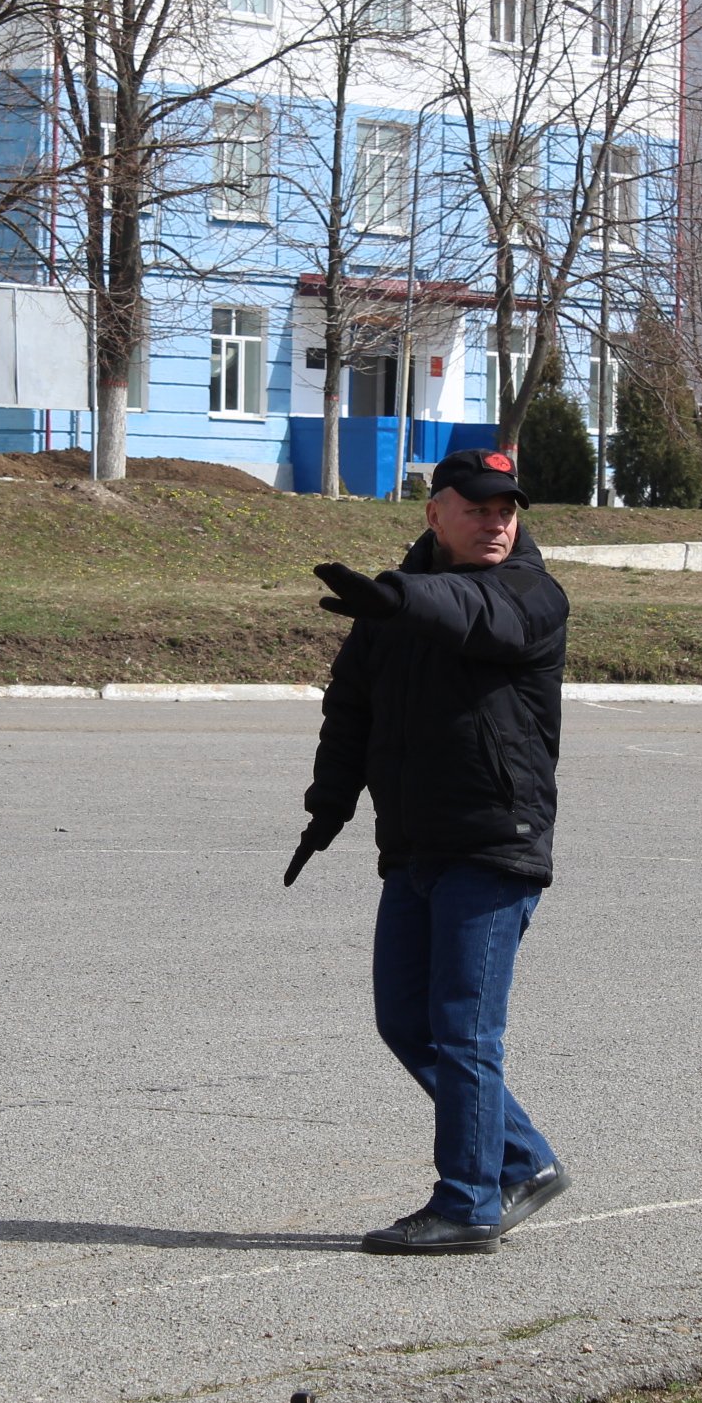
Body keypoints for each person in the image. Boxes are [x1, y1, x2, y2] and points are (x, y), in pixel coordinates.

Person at [289, 447, 573, 1255]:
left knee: (463, 1028)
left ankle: (469, 1202)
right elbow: (352, 711)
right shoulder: (395, 609)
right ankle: (523, 1162)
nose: (496, 521)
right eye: (479, 507)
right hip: (414, 846)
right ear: (435, 512)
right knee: (406, 1019)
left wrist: (396, 596)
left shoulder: (530, 592)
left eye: (507, 508)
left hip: (494, 843)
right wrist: (329, 804)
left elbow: (475, 613)